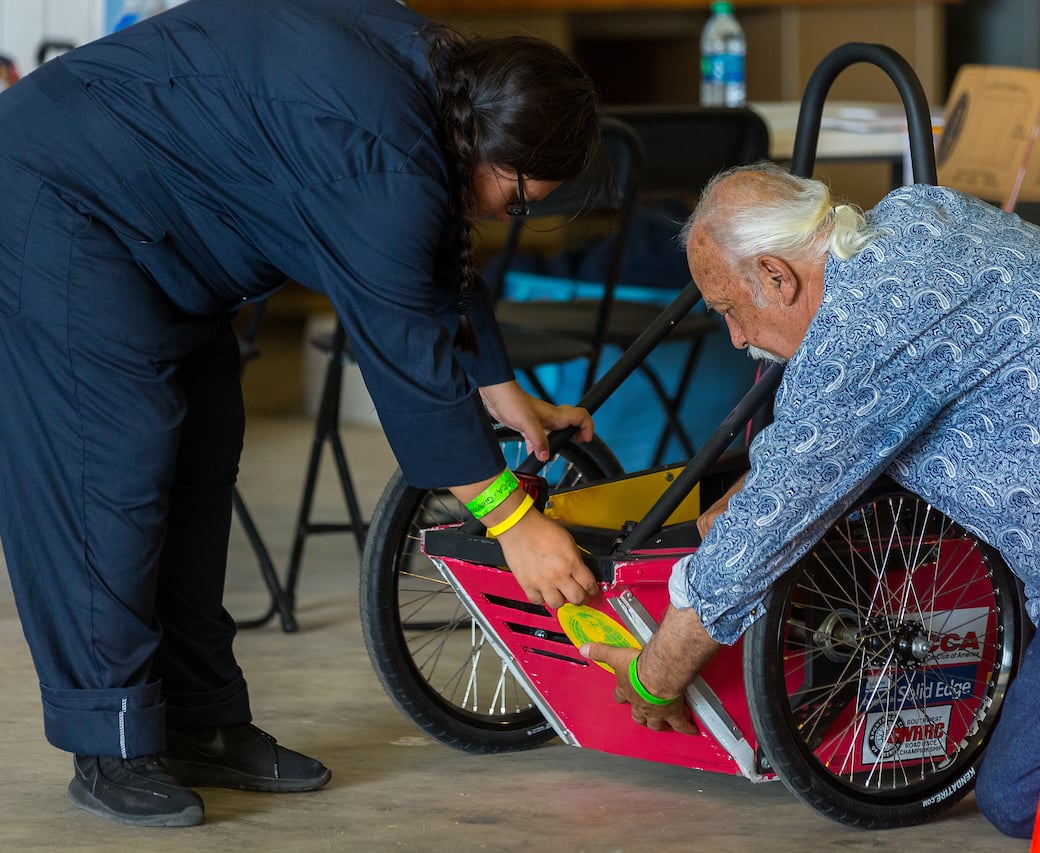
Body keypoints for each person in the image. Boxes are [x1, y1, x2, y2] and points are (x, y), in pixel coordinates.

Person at [0, 0, 603, 828]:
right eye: (521, 194)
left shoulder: (438, 90)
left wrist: (502, 387)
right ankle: (110, 741)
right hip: (59, 192)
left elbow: (434, 254)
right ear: (491, 143)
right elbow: (401, 347)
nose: (509, 214)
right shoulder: (384, 154)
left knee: (203, 454)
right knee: (110, 466)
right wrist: (510, 521)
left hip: (159, 225)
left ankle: (201, 723)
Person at [581, 162, 1040, 838]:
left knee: (1025, 793)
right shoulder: (908, 218)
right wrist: (754, 495)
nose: (735, 336)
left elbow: (763, 533)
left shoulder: (864, 331)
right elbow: (815, 455)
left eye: (732, 308)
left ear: (778, 277)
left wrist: (653, 674)